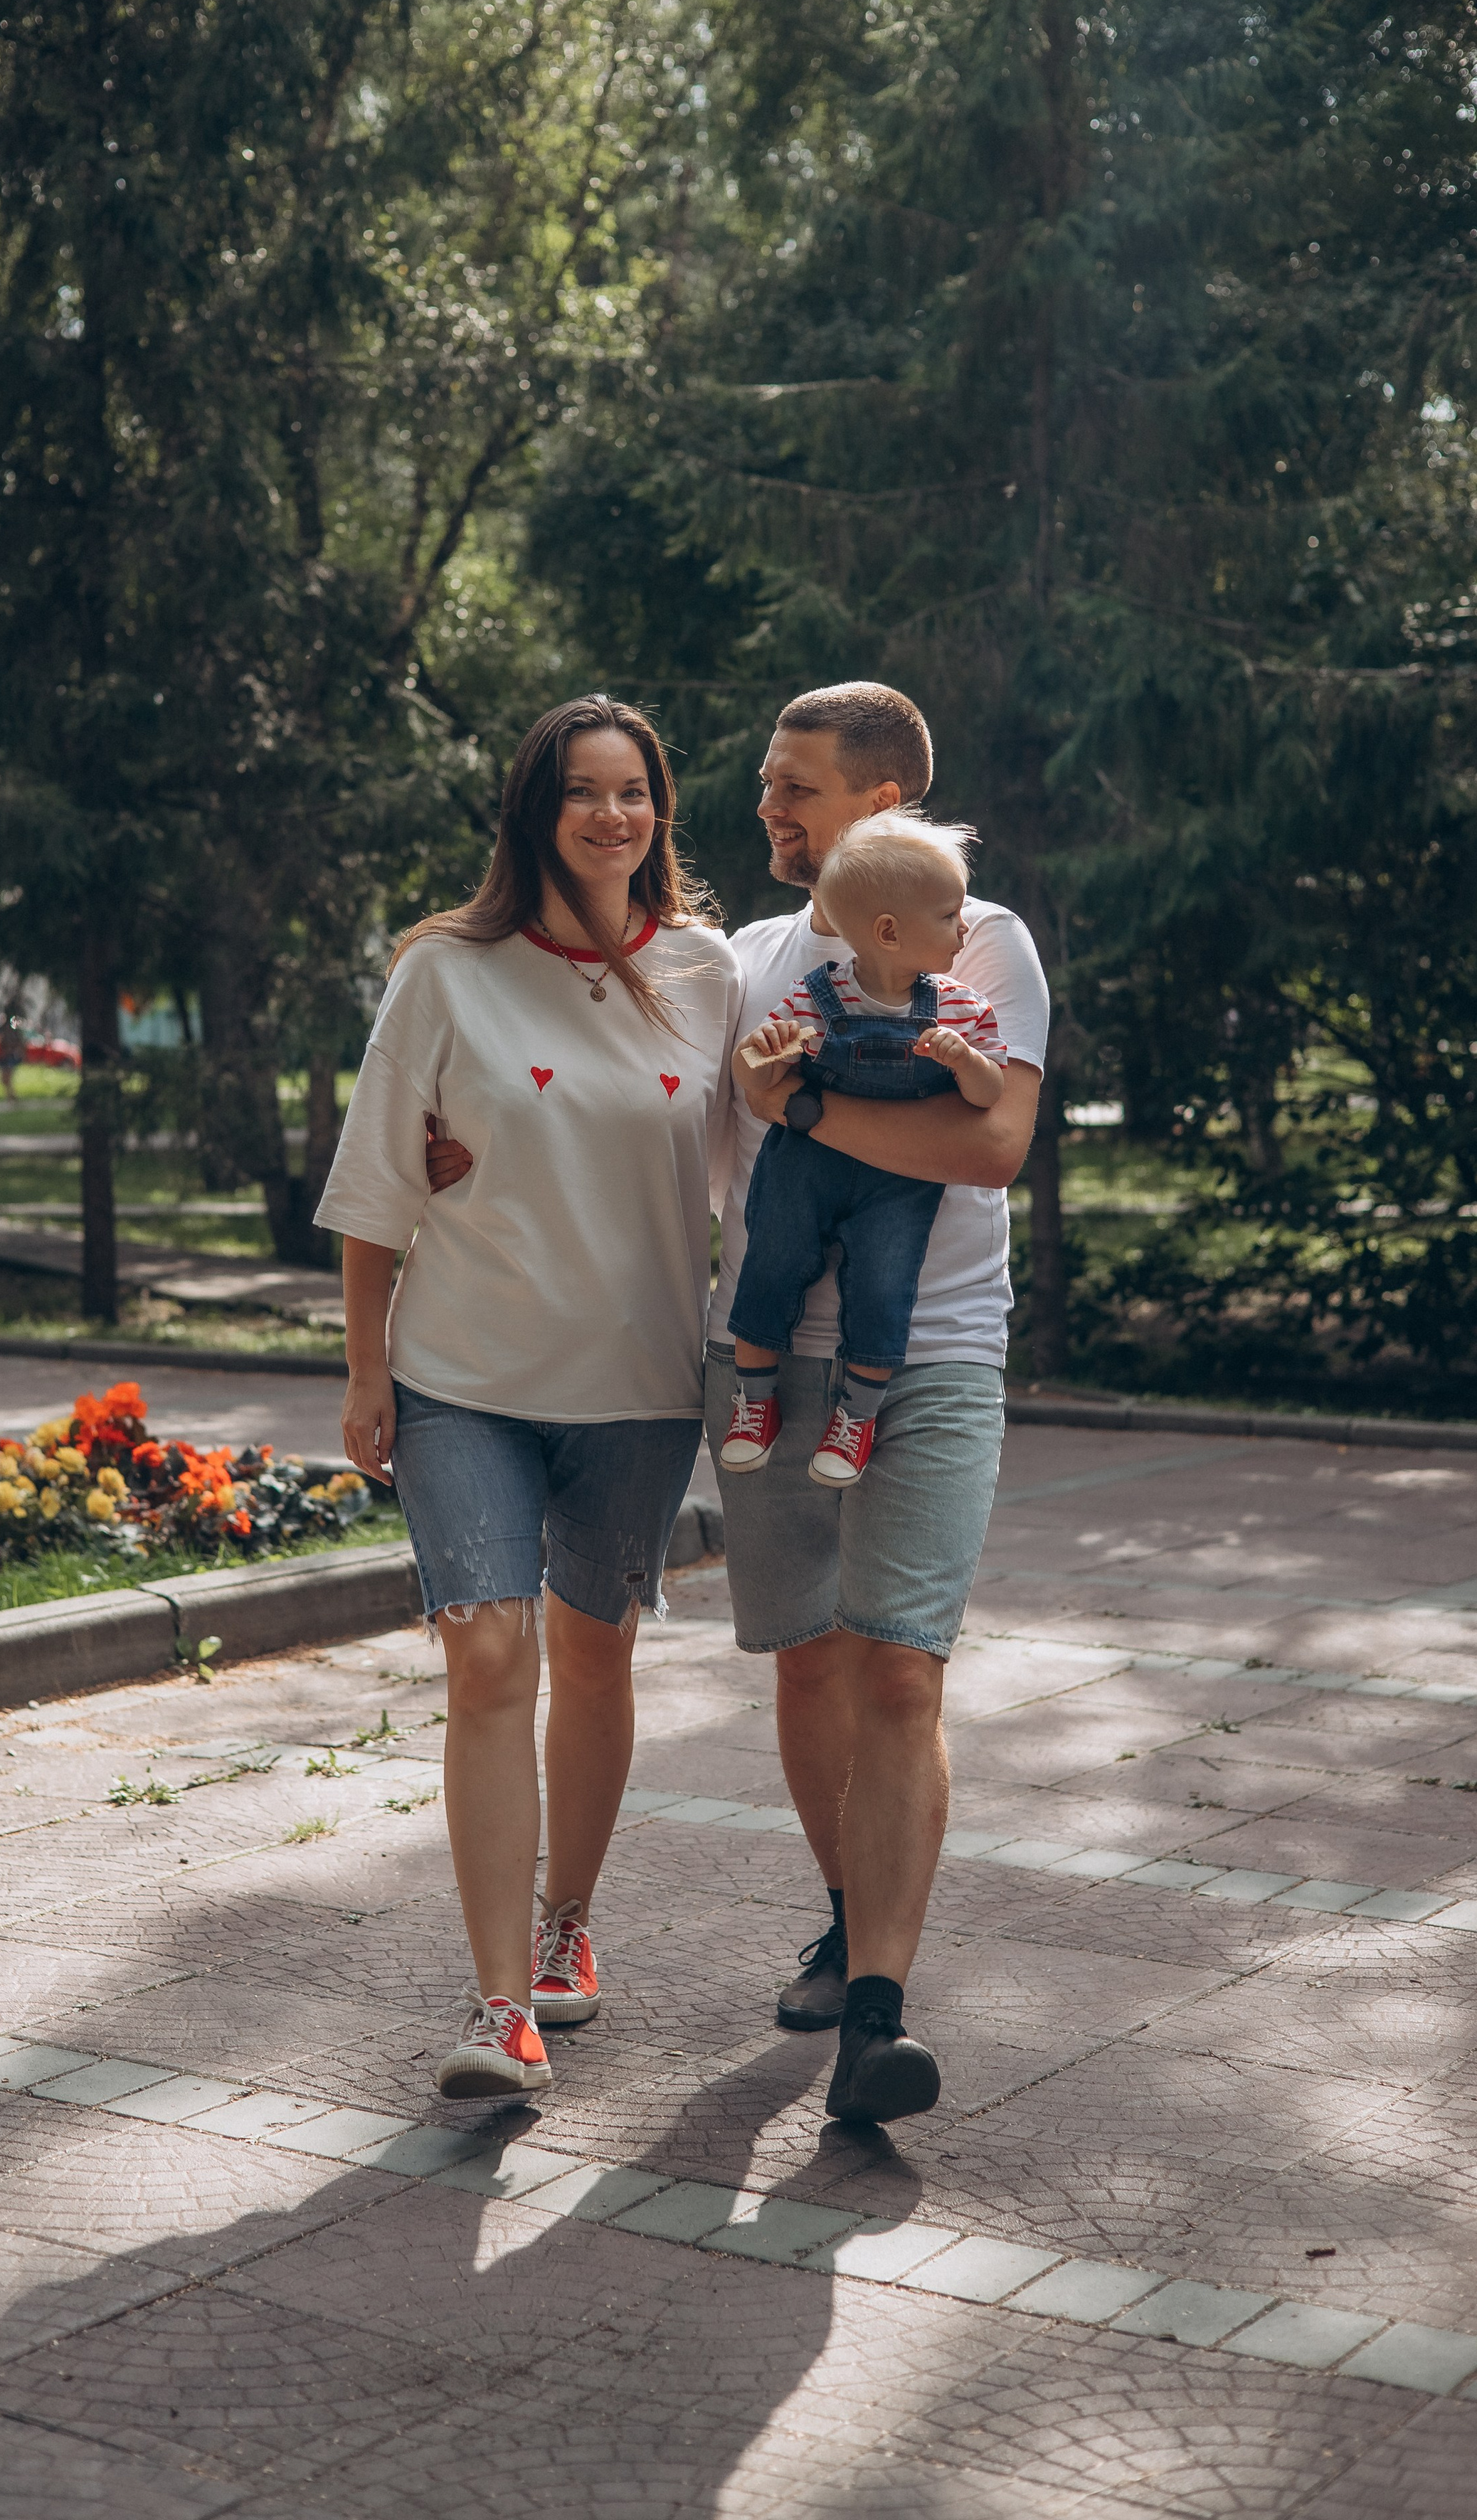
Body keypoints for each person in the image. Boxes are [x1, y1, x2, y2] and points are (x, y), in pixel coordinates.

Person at [316, 695, 743, 2102]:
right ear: (533, 812)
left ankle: (569, 1926)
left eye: (633, 792)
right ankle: (500, 2003)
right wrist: (365, 1363)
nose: (610, 816)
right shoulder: (445, 972)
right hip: (463, 1377)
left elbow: (768, 1163)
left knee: (596, 1654)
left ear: (658, 814)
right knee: (488, 1658)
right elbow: (382, 1173)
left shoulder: (706, 972)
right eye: (581, 792)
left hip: (636, 1381)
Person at [707, 682, 1047, 2127]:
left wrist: (792, 1110)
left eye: (794, 786)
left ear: (881, 805)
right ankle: (847, 1918)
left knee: (899, 1665)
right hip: (773, 1363)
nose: (767, 808)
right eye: (767, 782)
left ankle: (878, 2017)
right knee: (805, 1662)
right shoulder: (745, 957)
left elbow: (988, 1149)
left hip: (936, 1354)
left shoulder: (980, 936)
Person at [721, 810, 1007, 1488]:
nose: (966, 930)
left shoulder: (961, 1009)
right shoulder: (816, 1000)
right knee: (773, 1256)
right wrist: (761, 1056)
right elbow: (761, 1077)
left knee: (885, 1285)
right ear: (889, 932)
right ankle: (753, 1400)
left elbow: (990, 1096)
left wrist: (965, 1061)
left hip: (899, 1182)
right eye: (950, 916)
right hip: (805, 1169)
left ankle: (857, 1415)